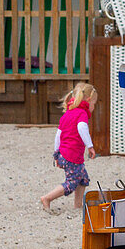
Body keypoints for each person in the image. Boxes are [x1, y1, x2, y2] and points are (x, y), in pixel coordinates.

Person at [41, 83, 96, 211]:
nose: (93, 106)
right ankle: (47, 198)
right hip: (72, 156)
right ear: (88, 100)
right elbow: (82, 128)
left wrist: (56, 154)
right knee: (71, 182)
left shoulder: (68, 113)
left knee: (82, 178)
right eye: (94, 103)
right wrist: (90, 146)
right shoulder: (81, 113)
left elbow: (58, 135)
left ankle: (78, 205)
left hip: (63, 154)